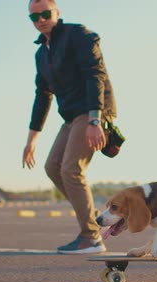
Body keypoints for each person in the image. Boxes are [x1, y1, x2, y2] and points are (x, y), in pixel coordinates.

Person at [22, 0, 117, 254]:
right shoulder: (42, 54)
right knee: (53, 167)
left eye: (45, 14)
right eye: (34, 17)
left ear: (56, 13)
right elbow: (42, 95)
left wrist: (96, 120)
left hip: (92, 109)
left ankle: (91, 237)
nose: (40, 19)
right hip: (71, 117)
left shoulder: (78, 35)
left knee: (71, 169)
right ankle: (94, 221)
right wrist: (32, 139)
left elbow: (95, 74)